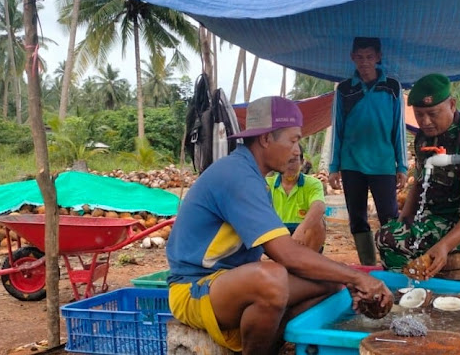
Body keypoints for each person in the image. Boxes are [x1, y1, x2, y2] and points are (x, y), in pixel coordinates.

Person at [166, 96, 392, 355]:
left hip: (228, 282)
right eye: (293, 140)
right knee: (271, 278)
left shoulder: (253, 177)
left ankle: (270, 346)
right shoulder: (236, 175)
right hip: (195, 288)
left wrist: (349, 281)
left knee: (331, 283)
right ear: (265, 139)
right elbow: (286, 254)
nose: (297, 150)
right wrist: (358, 276)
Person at [376, 73, 460, 278]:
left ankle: (409, 292)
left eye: (433, 113)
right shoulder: (424, 139)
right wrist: (403, 220)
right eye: (419, 114)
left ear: (452, 104)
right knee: (390, 232)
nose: (425, 121)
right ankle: (411, 291)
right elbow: (419, 183)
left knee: (389, 239)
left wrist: (445, 245)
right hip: (437, 215)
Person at [328, 37, 408, 266]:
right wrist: (334, 168)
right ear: (352, 58)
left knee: (389, 217)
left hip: (383, 164)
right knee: (357, 219)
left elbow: (398, 128)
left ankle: (393, 264)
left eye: (370, 57)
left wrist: (401, 166)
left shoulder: (392, 87)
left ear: (378, 57)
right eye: (360, 57)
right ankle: (368, 265)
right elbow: (338, 129)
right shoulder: (344, 89)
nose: (365, 62)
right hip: (351, 164)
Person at [266, 145, 326, 252]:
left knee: (318, 223)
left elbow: (319, 206)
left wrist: (301, 229)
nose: (290, 165)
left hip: (302, 236)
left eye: (294, 160)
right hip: (276, 234)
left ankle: (308, 263)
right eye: (286, 160)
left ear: (302, 162)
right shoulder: (267, 184)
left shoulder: (313, 183)